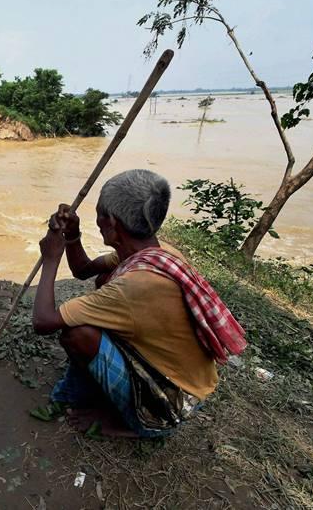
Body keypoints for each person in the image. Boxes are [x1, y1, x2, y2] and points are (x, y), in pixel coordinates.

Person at [31, 169, 246, 438]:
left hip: (171, 404)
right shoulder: (156, 253)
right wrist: (72, 236)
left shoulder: (135, 284)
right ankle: (100, 392)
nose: (97, 220)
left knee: (77, 334)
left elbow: (43, 322)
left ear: (110, 223)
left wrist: (51, 258)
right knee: (103, 282)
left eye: (99, 214)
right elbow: (84, 269)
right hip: (185, 383)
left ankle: (137, 425)